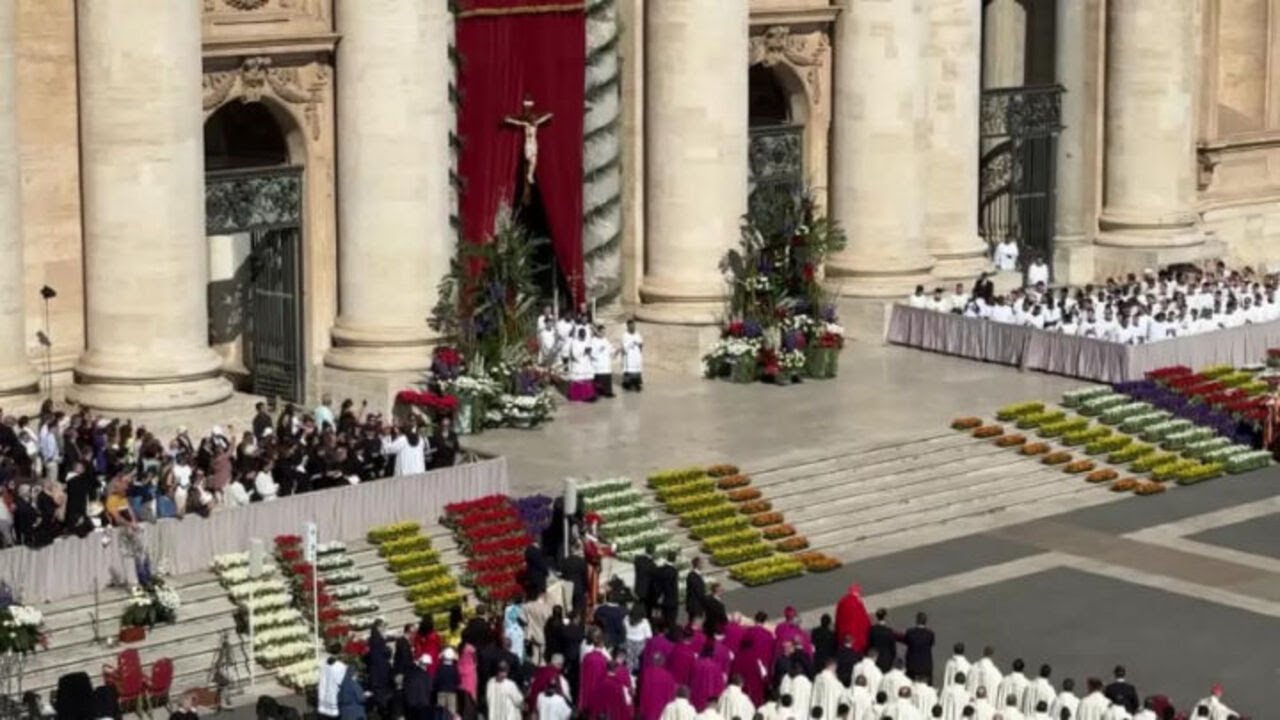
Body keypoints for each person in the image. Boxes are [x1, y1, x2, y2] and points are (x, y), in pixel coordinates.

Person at [639, 654, 679, 720]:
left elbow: (644, 693)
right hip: (663, 710)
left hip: (649, 710)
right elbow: (672, 695)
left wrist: (642, 710)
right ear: (662, 662)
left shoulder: (647, 673)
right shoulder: (669, 676)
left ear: (653, 661)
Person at [834, 584, 871, 653]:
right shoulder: (858, 603)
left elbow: (838, 618)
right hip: (857, 635)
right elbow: (865, 620)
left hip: (844, 632)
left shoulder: (842, 602)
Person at [901, 612, 934, 684]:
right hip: (926, 665)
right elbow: (931, 644)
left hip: (912, 665)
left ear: (917, 621)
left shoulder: (910, 632)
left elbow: (906, 642)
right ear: (925, 621)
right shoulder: (930, 634)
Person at [317, 655, 348, 720]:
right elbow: (342, 682)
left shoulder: (324, 668)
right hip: (334, 700)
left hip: (324, 701)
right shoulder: (339, 668)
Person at [625, 603, 653, 672]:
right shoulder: (644, 622)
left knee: (629, 660)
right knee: (638, 660)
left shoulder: (626, 619)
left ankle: (629, 675)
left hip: (628, 641)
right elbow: (649, 636)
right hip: (640, 644)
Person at [621, 319, 645, 392]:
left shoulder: (637, 333)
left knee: (637, 370)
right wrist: (631, 343)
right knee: (629, 370)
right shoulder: (625, 335)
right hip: (629, 356)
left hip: (636, 355)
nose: (633, 327)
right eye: (631, 326)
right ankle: (627, 384)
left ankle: (637, 384)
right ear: (627, 326)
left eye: (634, 325)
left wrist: (640, 344)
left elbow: (641, 342)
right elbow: (624, 347)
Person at [592, 325, 615, 398]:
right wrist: (599, 349)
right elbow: (591, 352)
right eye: (602, 332)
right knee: (598, 379)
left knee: (607, 378)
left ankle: (608, 392)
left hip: (606, 363)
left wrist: (615, 351)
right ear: (598, 332)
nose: (603, 334)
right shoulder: (593, 340)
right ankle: (597, 392)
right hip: (598, 363)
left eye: (604, 332)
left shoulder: (605, 340)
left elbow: (610, 348)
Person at [685, 556, 708, 622]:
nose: (703, 565)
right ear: (698, 564)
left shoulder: (694, 575)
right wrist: (706, 602)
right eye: (701, 563)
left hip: (696, 605)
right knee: (695, 623)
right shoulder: (693, 576)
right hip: (695, 605)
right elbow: (698, 591)